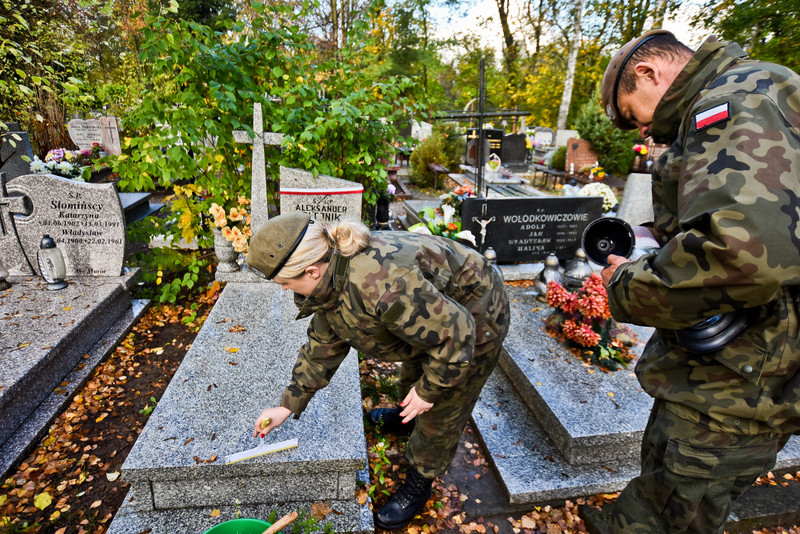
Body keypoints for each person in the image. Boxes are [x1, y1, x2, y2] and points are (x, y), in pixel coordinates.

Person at [599, 29, 800, 533]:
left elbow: (742, 254)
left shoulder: (733, 99)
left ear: (648, 74)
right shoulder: (761, 87)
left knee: (664, 518)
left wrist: (625, 284)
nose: (639, 130)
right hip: (744, 371)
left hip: (737, 384)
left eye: (631, 114)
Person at [246, 212, 510, 530]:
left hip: (478, 312)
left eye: (285, 283)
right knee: (412, 381)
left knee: (439, 408)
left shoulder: (382, 286)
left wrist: (430, 391)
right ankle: (405, 418)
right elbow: (323, 347)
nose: (285, 290)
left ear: (312, 271)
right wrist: (286, 405)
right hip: (435, 314)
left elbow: (456, 334)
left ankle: (419, 481)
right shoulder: (331, 277)